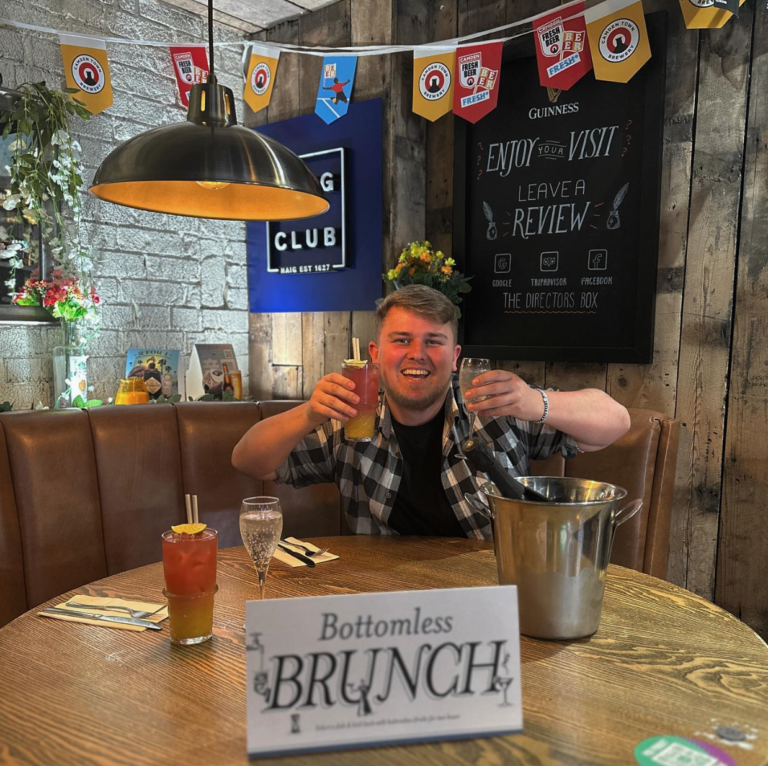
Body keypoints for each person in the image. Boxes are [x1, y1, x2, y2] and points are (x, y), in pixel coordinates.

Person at [232, 285, 631, 539]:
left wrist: (535, 402)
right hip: (386, 602)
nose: (417, 354)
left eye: (433, 341)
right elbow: (249, 461)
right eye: (401, 340)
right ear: (375, 354)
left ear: (455, 357)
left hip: (491, 596)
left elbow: (616, 422)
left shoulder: (495, 408)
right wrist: (308, 413)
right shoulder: (353, 418)